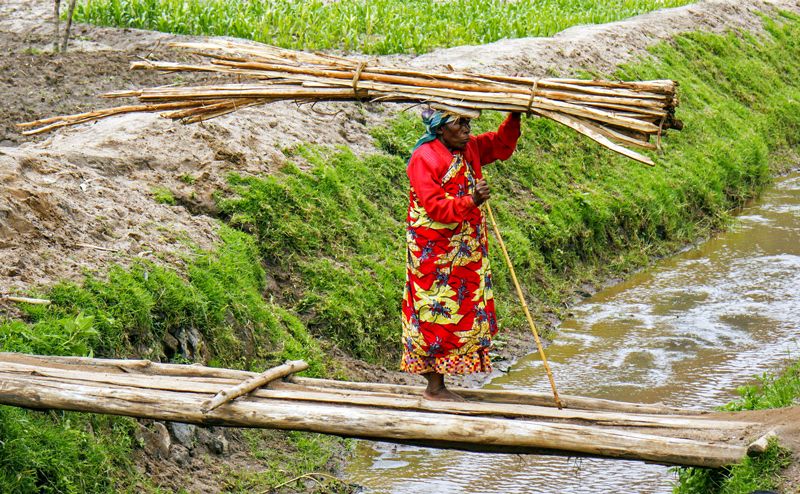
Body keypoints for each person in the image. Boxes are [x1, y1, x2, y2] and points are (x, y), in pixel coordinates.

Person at [401, 108, 521, 401]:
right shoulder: (425, 159)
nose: (467, 128)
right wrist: (473, 199)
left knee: (462, 310)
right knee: (432, 312)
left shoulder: (469, 149)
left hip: (464, 250)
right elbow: (435, 208)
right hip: (434, 252)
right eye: (460, 122)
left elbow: (501, 145)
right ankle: (434, 387)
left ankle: (440, 385)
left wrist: (515, 115)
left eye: (468, 122)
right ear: (441, 129)